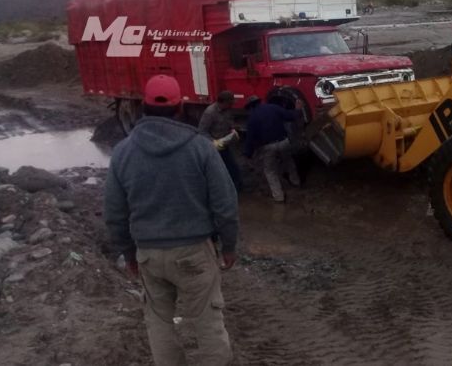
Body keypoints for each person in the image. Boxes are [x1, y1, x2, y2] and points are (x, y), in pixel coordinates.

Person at [104, 75, 239, 366]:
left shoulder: (123, 152)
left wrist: (129, 255)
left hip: (149, 255)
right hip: (194, 251)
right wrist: (229, 246)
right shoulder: (200, 147)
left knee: (159, 321)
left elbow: (115, 214)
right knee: (207, 320)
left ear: (143, 107)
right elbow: (225, 204)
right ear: (180, 107)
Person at [243, 95, 303, 203]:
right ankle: (296, 182)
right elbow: (290, 116)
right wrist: (298, 109)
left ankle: (279, 197)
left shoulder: (252, 118)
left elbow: (250, 139)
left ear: (251, 107)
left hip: (268, 147)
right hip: (284, 142)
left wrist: (248, 154)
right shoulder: (273, 107)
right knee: (289, 162)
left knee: (270, 171)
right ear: (259, 102)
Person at [199, 90, 243, 192]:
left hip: (224, 145)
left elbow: (229, 122)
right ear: (223, 102)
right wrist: (213, 142)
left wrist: (233, 129)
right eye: (230, 103)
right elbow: (202, 131)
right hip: (214, 146)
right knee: (217, 170)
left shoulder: (227, 110)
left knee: (233, 168)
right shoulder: (210, 113)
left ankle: (236, 189)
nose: (232, 105)